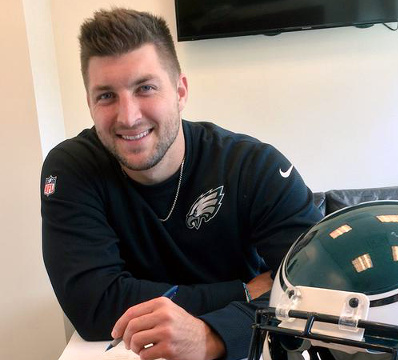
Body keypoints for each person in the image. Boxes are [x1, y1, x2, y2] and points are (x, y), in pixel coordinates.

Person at [41, 8, 322, 360]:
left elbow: (319, 285)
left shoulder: (253, 166)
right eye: (106, 96)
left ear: (180, 90)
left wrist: (215, 336)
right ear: (90, 103)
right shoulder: (71, 168)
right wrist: (244, 293)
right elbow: (94, 307)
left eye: (145, 88)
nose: (128, 117)